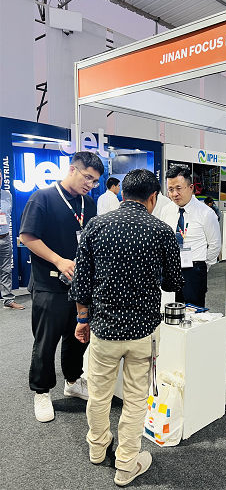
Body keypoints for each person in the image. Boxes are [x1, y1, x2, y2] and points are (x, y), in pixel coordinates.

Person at [70, 169, 183, 487]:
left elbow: (81, 282)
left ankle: (97, 449)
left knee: (98, 395)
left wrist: (82, 320)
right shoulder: (161, 231)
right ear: (153, 197)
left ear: (122, 194)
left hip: (104, 330)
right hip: (142, 333)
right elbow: (173, 282)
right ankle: (126, 465)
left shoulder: (96, 225)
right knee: (135, 401)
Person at [19, 151, 104, 423]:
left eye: (95, 181)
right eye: (87, 177)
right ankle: (41, 391)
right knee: (46, 341)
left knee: (78, 335)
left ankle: (73, 380)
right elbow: (27, 236)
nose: (90, 184)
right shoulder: (42, 198)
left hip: (79, 285)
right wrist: (58, 260)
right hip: (49, 283)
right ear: (72, 169)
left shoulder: (88, 203)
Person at [161, 165, 221, 307]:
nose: (174, 194)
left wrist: (202, 266)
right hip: (170, 268)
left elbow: (215, 244)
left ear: (191, 188)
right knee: (170, 308)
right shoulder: (166, 210)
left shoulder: (206, 213)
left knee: (194, 311)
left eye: (178, 188)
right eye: (170, 189)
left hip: (194, 269)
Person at [0, 169, 25, 310]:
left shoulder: (7, 195)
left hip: (5, 238)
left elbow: (8, 215)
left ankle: (8, 300)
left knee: (6, 270)